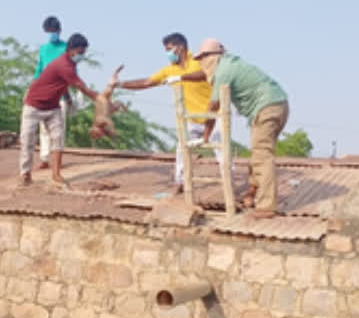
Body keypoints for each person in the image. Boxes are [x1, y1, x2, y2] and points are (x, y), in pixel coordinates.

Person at [182, 38, 289, 219]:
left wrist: (205, 136)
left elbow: (213, 107)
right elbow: (204, 77)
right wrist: (181, 77)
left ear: (210, 57)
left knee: (262, 156)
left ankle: (266, 207)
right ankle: (252, 194)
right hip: (277, 104)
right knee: (258, 153)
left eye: (202, 59)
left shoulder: (223, 72)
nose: (201, 63)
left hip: (267, 107)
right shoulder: (229, 64)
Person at [113, 33, 220, 192]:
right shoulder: (169, 70)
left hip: (214, 115)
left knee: (223, 152)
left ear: (180, 47)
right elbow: (146, 82)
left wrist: (180, 77)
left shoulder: (198, 60)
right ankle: (180, 182)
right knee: (182, 150)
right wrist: (120, 84)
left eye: (169, 49)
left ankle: (229, 183)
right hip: (190, 119)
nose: (168, 53)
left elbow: (205, 73)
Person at [19, 33, 102, 187]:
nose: (82, 56)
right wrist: (100, 99)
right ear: (71, 50)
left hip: (53, 107)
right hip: (34, 105)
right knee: (27, 141)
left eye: (83, 52)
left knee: (58, 139)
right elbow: (81, 87)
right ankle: (25, 174)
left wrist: (69, 100)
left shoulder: (70, 64)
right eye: (80, 52)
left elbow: (63, 84)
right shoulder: (63, 65)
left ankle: (56, 174)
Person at [34, 16, 70, 169]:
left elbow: (69, 73)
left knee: (58, 128)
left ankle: (57, 160)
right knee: (44, 128)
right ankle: (44, 158)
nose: (51, 34)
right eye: (48, 32)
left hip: (60, 93)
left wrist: (67, 94)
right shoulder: (43, 49)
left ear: (59, 30)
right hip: (44, 93)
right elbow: (38, 71)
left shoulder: (66, 48)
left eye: (53, 31)